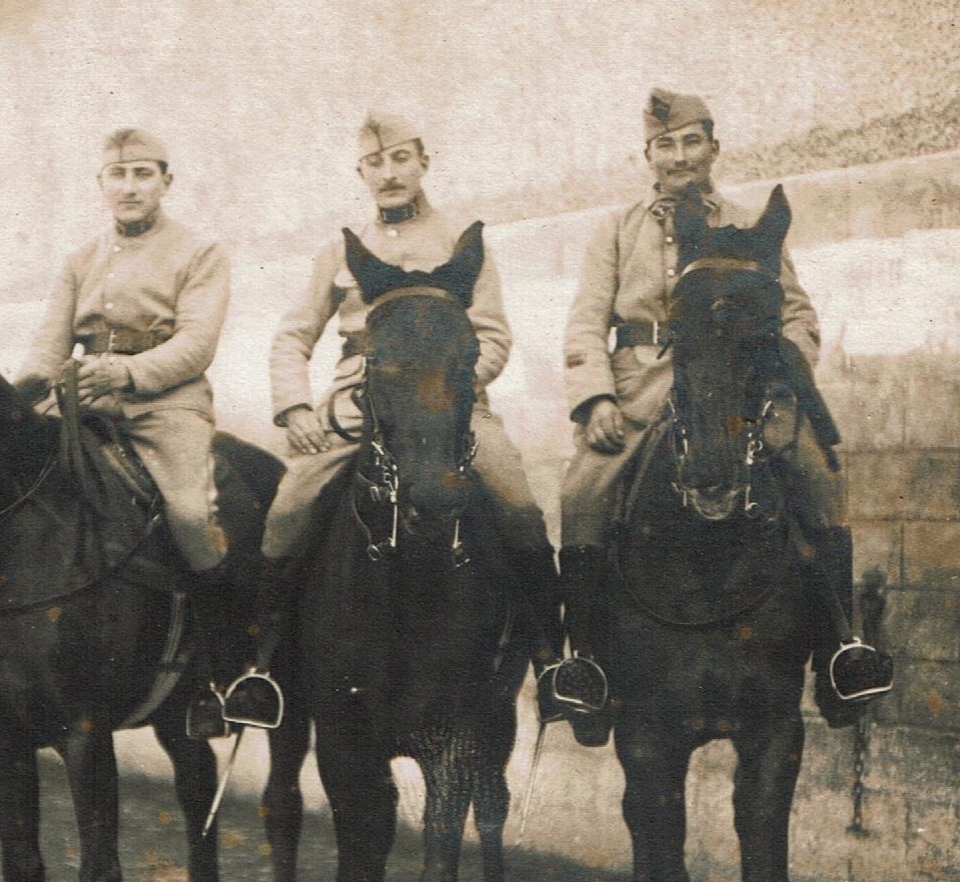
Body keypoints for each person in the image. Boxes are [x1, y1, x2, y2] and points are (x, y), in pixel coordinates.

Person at [224, 112, 584, 730]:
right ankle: (260, 670)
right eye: (375, 163)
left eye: (400, 160)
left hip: (449, 400)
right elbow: (291, 336)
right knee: (288, 509)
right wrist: (296, 406)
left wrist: (448, 386)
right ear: (361, 171)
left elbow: (493, 333)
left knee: (518, 503)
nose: (388, 174)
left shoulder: (461, 240)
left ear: (424, 161)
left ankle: (553, 661)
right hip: (353, 404)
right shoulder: (339, 252)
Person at [558, 89, 893, 741]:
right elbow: (582, 322)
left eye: (690, 141)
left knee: (814, 471)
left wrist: (780, 370)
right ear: (646, 156)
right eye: (664, 145)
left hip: (739, 385)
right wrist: (595, 396)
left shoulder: (749, 222)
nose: (678, 156)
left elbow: (796, 313)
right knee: (580, 488)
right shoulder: (616, 229)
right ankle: (586, 663)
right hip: (637, 388)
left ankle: (838, 650)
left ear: (713, 146)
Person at [13, 128, 235, 736]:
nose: (130, 186)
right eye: (119, 175)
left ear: (166, 181)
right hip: (82, 401)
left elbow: (197, 343)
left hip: (167, 405)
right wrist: (11, 404)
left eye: (144, 174)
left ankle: (219, 672)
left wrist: (129, 372)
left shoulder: (199, 251)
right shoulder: (79, 261)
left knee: (190, 516)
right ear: (102, 184)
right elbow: (46, 349)